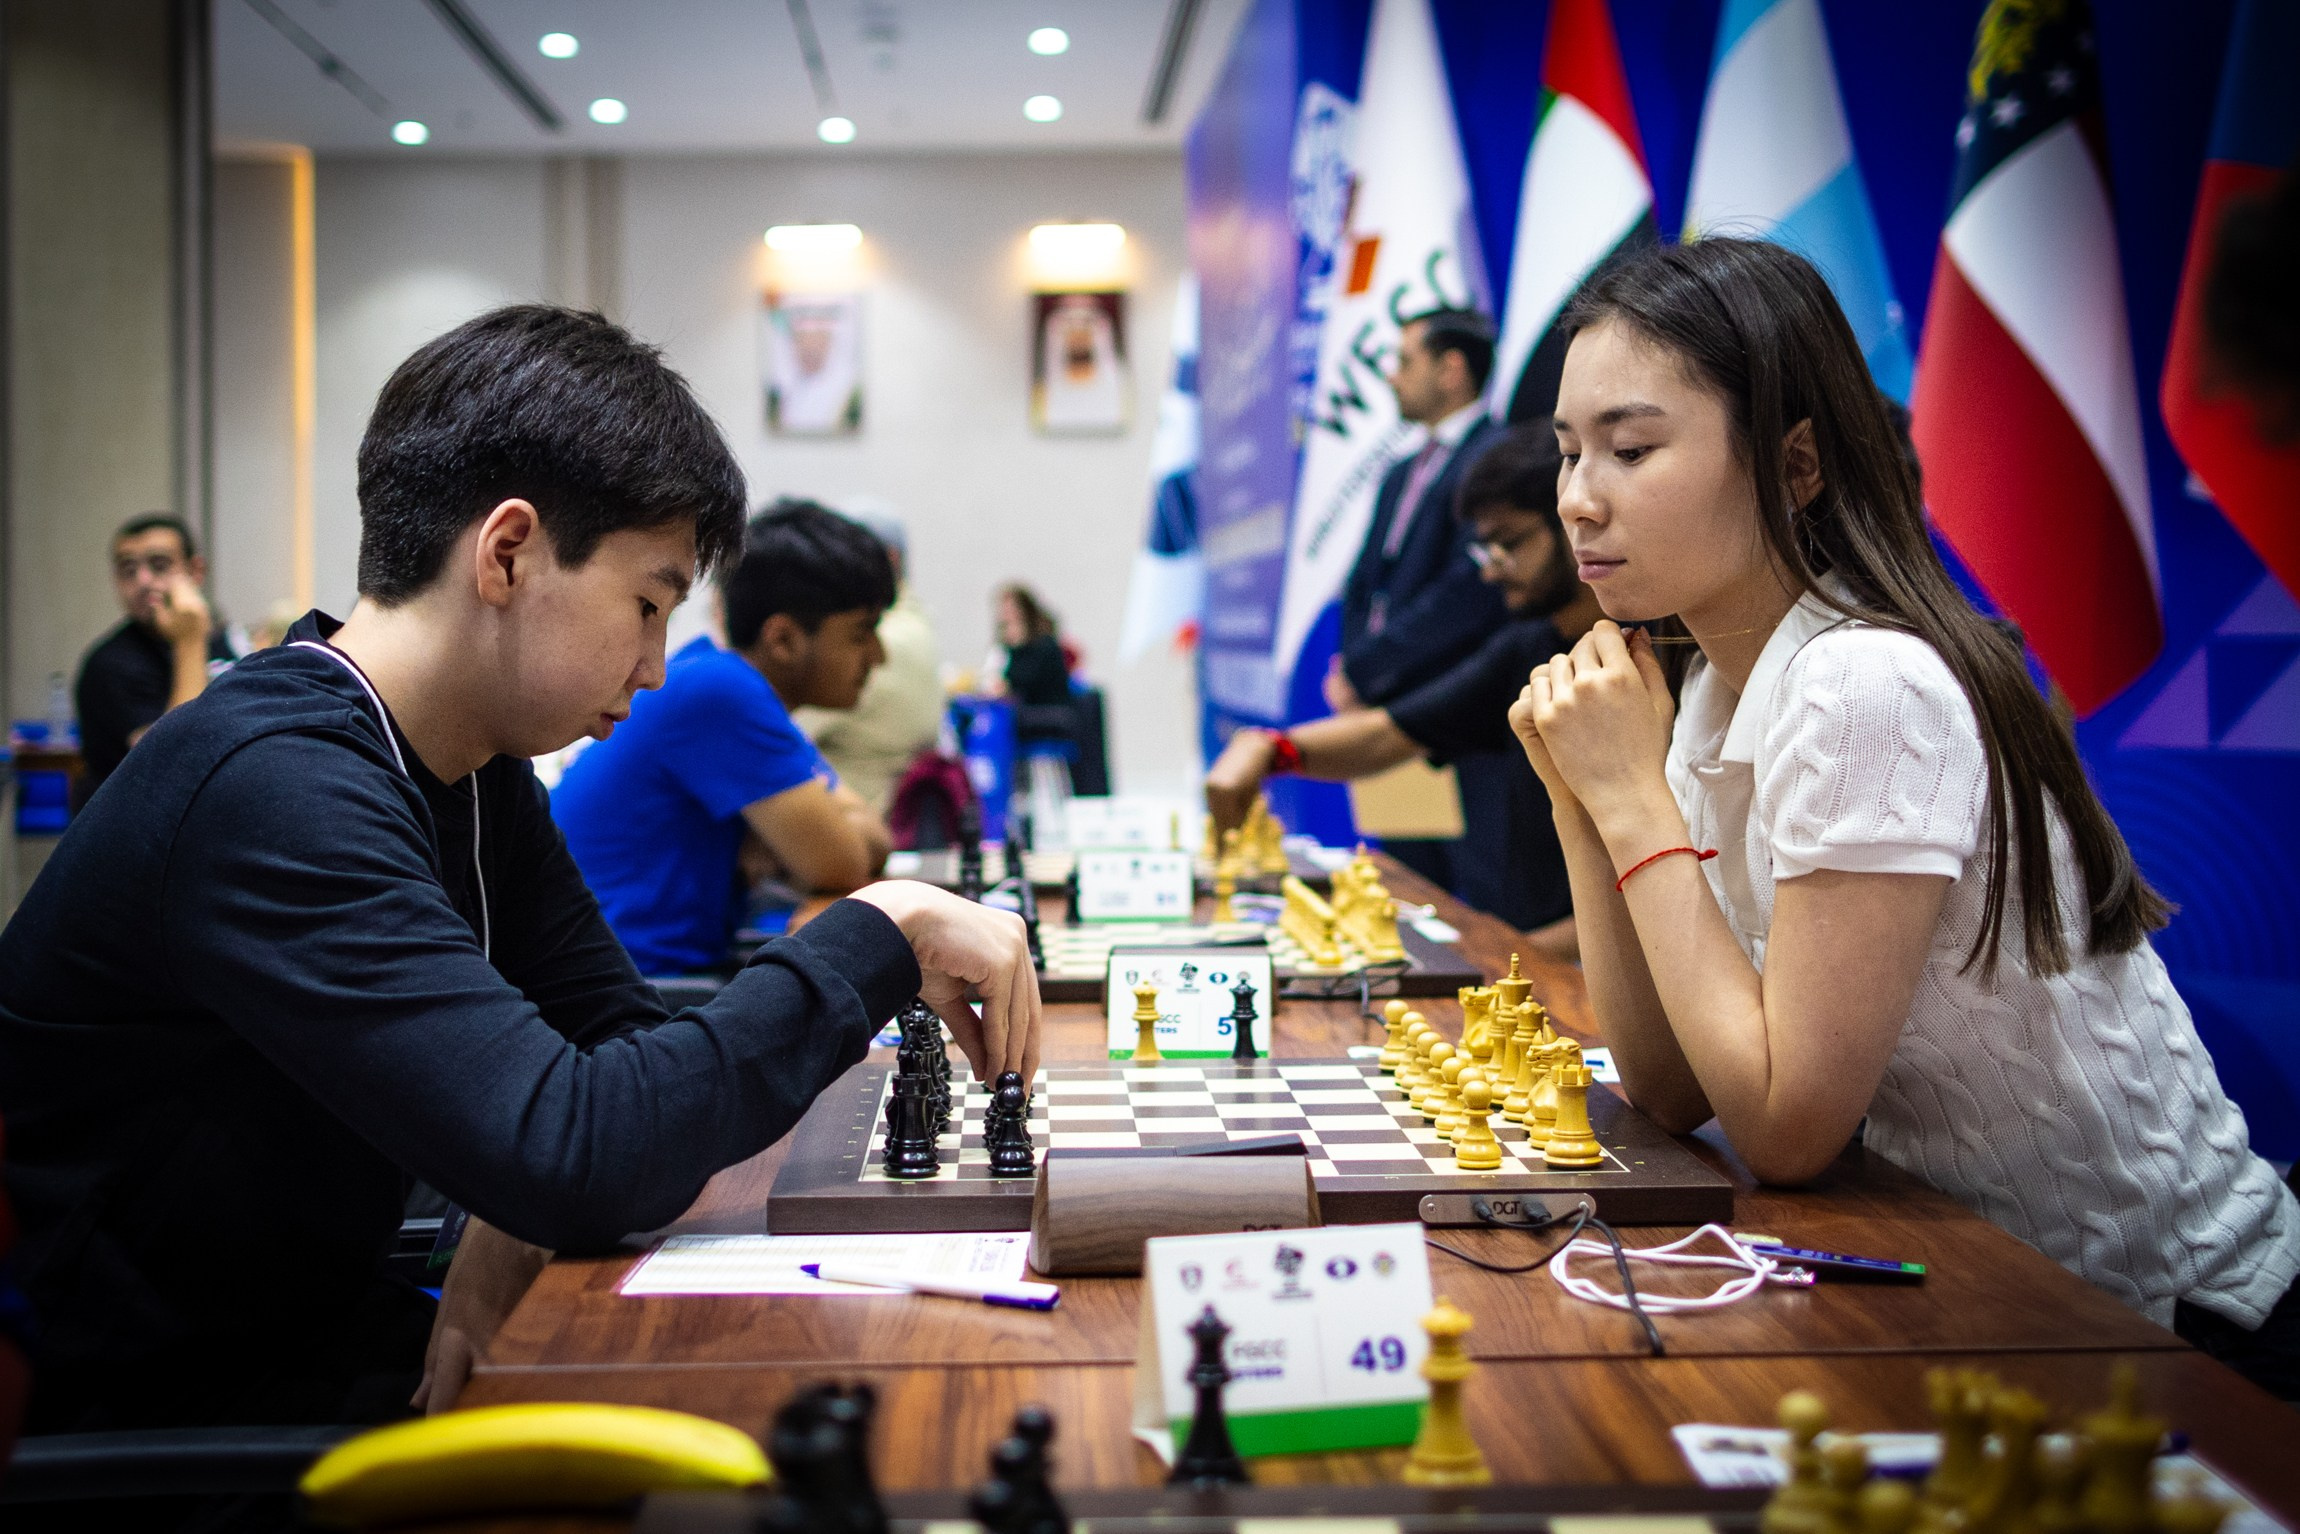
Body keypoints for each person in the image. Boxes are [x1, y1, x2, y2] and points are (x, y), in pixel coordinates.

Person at [0, 305, 1040, 1434]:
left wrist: (524, 1184)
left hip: (328, 1342)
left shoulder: (468, 764)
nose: (652, 667)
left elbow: (608, 1066)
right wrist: (877, 933)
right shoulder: (271, 788)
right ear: (506, 553)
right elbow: (578, 1150)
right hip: (183, 1425)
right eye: (646, 603)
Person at [1509, 238, 2300, 1394]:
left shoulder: (1864, 684)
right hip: (1987, 1293)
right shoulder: (1717, 690)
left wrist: (1631, 802)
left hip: (2174, 1328)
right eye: (1569, 452)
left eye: (1630, 448)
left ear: (1793, 467)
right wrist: (1582, 805)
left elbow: (1782, 1129)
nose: (1578, 496)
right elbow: (1674, 1086)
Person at [1206, 425, 1596, 956]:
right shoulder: (1527, 649)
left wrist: (1500, 952)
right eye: (1486, 549)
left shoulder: (1660, 655)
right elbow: (1389, 735)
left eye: (1510, 542)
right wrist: (1271, 749)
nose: (1492, 571)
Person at [553, 500, 897, 975]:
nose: (878, 657)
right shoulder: (721, 693)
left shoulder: (722, 681)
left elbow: (873, 836)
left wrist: (786, 840)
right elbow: (843, 861)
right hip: (638, 994)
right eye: (862, 633)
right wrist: (799, 839)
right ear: (783, 640)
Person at [1333, 308, 1509, 710]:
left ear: (1450, 369)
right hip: (1380, 696)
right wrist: (1353, 668)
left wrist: (1367, 666)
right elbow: (1364, 579)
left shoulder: (1498, 457)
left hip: (1454, 700)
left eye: (1405, 361)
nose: (1392, 377)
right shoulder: (1398, 472)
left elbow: (1468, 589)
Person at [71, 513, 239, 809]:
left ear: (195, 571)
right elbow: (176, 763)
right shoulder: (110, 665)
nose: (143, 581)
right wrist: (190, 641)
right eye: (128, 570)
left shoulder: (221, 639)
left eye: (159, 565)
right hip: (134, 833)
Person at [793, 511, 945, 816]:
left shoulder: (871, 639)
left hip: (855, 824)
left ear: (885, 558)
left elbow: (778, 730)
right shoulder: (917, 626)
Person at [989, 583, 1071, 708]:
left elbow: (1029, 679)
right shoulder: (1006, 648)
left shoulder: (1044, 645)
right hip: (1023, 708)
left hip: (1046, 709)